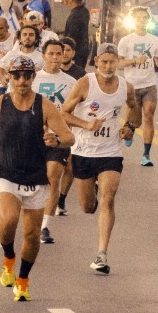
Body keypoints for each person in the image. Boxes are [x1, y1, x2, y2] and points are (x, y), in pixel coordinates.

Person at [0, 57, 75, 302]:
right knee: (8, 220)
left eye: (26, 76)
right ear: (9, 77)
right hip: (4, 171)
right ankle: (8, 259)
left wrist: (56, 141)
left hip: (35, 175)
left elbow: (69, 137)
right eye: (16, 75)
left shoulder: (45, 106)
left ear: (33, 78)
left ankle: (23, 280)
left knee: (31, 235)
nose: (21, 81)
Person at [63, 44, 141, 275]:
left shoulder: (126, 87)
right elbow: (63, 114)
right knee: (88, 207)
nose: (108, 66)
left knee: (108, 199)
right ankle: (92, 193)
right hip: (84, 152)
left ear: (119, 62)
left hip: (110, 152)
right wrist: (86, 124)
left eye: (112, 62)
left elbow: (134, 109)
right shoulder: (85, 83)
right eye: (104, 62)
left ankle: (101, 254)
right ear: (96, 61)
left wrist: (129, 127)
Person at [33, 39, 93, 245]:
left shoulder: (71, 82)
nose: (56, 57)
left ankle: (44, 226)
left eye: (59, 54)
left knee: (52, 177)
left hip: (58, 137)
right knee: (29, 181)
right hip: (32, 138)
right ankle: (30, 218)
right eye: (51, 54)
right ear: (43, 56)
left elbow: (74, 111)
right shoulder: (32, 79)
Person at [117, 6, 158, 167]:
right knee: (135, 122)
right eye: (138, 18)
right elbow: (118, 63)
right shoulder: (126, 41)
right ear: (133, 20)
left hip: (149, 85)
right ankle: (130, 131)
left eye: (145, 18)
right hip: (132, 86)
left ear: (149, 20)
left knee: (149, 114)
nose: (142, 21)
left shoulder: (155, 40)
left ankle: (146, 154)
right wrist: (134, 61)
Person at [62, 0, 91, 65]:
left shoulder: (75, 15)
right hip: (83, 50)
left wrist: (66, 49)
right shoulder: (84, 11)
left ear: (71, 0)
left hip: (76, 52)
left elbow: (72, 35)